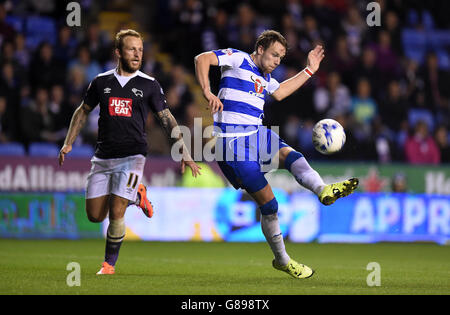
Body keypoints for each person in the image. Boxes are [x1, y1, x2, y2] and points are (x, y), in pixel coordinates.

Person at [194, 30, 358, 279]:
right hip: (231, 145)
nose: (277, 61)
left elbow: (280, 92)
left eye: (281, 57)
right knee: (270, 205)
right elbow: (202, 59)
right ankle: (282, 260)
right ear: (260, 49)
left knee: (292, 155)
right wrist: (208, 91)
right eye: (274, 55)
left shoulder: (266, 77)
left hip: (256, 134)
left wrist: (310, 70)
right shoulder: (238, 59)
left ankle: (322, 190)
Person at [58, 29, 201, 275]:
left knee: (116, 210)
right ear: (118, 52)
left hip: (133, 156)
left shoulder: (149, 84)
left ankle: (108, 265)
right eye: (131, 49)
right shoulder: (101, 82)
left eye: (140, 50)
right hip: (103, 157)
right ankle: (138, 195)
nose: (137, 54)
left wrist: (184, 152)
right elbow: (83, 111)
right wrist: (68, 142)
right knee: (94, 216)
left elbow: (167, 119)